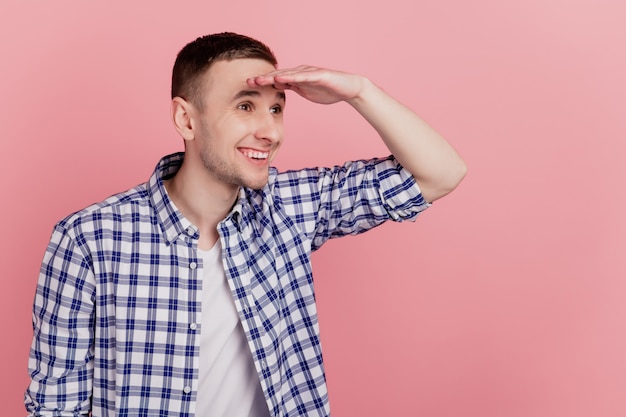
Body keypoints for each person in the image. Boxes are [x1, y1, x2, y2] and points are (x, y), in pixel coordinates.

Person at [25, 32, 466, 416]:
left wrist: (360, 92)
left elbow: (440, 173)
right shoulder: (89, 239)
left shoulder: (291, 208)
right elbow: (55, 404)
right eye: (245, 106)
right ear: (186, 118)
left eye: (276, 109)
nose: (270, 132)